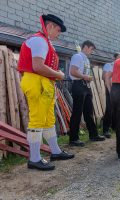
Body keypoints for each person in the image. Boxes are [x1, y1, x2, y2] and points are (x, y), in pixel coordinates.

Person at [18, 14, 74, 171]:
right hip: (37, 81)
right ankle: (34, 158)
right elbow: (38, 66)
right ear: (49, 26)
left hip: (44, 83)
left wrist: (54, 76)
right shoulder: (39, 40)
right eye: (58, 29)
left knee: (49, 119)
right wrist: (59, 74)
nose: (59, 33)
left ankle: (55, 151)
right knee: (37, 120)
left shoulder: (44, 41)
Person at [69, 40, 105, 147]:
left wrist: (87, 78)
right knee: (77, 113)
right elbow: (72, 71)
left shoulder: (86, 59)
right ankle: (73, 139)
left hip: (86, 86)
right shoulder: (77, 56)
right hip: (78, 85)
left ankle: (93, 135)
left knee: (89, 111)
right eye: (91, 49)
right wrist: (86, 77)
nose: (92, 51)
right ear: (86, 47)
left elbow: (84, 72)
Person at [102, 52, 120, 138]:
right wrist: (109, 89)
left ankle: (114, 127)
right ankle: (105, 129)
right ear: (114, 58)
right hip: (110, 88)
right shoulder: (108, 65)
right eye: (119, 57)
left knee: (117, 109)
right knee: (109, 108)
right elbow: (104, 77)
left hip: (118, 89)